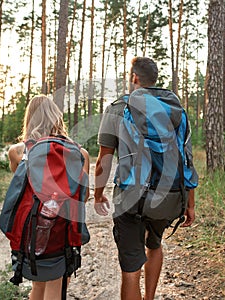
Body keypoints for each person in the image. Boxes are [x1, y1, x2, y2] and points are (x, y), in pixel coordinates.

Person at [94, 57, 196, 300]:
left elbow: (103, 160)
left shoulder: (119, 108)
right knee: (155, 244)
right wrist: (190, 204)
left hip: (131, 199)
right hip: (168, 197)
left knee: (131, 269)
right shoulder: (177, 112)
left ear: (134, 78)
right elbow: (187, 161)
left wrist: (98, 195)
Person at [8, 94, 90, 300]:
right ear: (57, 117)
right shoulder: (80, 153)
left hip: (32, 229)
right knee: (57, 285)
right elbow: (84, 196)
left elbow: (21, 190)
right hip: (63, 230)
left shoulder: (18, 152)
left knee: (38, 284)